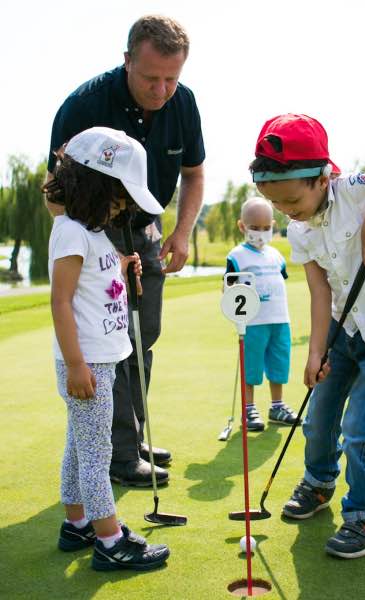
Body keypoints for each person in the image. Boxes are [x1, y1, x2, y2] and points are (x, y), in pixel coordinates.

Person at [250, 113, 365, 558]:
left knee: (361, 427)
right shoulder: (298, 227)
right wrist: (315, 353)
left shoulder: (353, 189)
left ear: (321, 177)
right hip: (340, 330)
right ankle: (318, 483)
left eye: (293, 199)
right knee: (320, 415)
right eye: (278, 205)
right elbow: (318, 289)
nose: (288, 211)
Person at [47, 15, 205, 486]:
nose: (161, 90)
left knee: (142, 335)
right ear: (127, 61)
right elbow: (56, 191)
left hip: (148, 223)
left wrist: (181, 232)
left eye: (171, 79)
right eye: (151, 78)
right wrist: (91, 251)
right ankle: (117, 456)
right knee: (109, 338)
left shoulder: (184, 104)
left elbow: (194, 174)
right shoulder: (84, 105)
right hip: (95, 225)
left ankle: (130, 437)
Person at [44, 126, 170, 571]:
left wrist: (122, 264)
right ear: (93, 187)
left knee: (79, 448)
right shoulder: (70, 233)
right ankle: (110, 540)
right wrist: (76, 364)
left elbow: (97, 271)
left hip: (102, 358)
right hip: (88, 363)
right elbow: (60, 300)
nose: (121, 210)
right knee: (96, 455)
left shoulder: (91, 233)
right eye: (117, 200)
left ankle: (76, 523)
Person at [225, 197, 300, 431]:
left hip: (279, 320)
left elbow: (280, 281)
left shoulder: (277, 256)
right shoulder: (237, 256)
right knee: (252, 366)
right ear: (242, 226)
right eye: (254, 228)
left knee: (279, 363)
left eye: (266, 228)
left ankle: (277, 406)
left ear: (273, 226)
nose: (261, 233)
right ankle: (248, 410)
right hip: (253, 322)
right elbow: (230, 289)